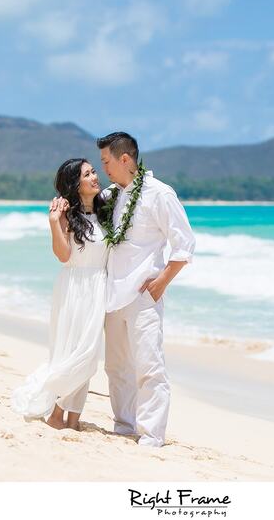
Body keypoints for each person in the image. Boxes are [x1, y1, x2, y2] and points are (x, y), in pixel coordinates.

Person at [97, 131, 195, 447]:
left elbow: (185, 243)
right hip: (113, 294)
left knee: (149, 365)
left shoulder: (159, 194)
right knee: (116, 366)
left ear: (125, 159)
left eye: (107, 161)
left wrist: (162, 281)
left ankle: (152, 433)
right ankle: (124, 424)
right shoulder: (111, 195)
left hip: (143, 293)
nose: (104, 168)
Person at [10, 158, 108, 431]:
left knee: (87, 356)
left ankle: (72, 419)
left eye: (93, 171)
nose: (94, 177)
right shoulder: (66, 215)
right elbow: (63, 255)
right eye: (87, 174)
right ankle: (56, 414)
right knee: (73, 353)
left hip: (99, 286)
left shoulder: (106, 211)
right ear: (75, 184)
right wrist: (54, 221)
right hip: (74, 288)